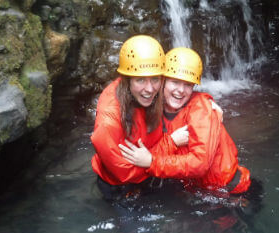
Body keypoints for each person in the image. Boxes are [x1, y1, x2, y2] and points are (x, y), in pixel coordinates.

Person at [119, 47, 251, 198]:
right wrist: (170, 144)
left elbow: (199, 164)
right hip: (196, 190)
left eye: (188, 85)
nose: (181, 90)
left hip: (231, 191)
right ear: (162, 81)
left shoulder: (201, 110)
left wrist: (152, 161)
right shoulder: (153, 107)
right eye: (175, 82)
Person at [91, 35, 188, 200]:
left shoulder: (150, 93)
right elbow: (125, 173)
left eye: (155, 79)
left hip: (150, 171)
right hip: (122, 189)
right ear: (127, 80)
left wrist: (208, 103)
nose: (150, 89)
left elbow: (181, 91)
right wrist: (170, 143)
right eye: (140, 80)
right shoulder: (109, 122)